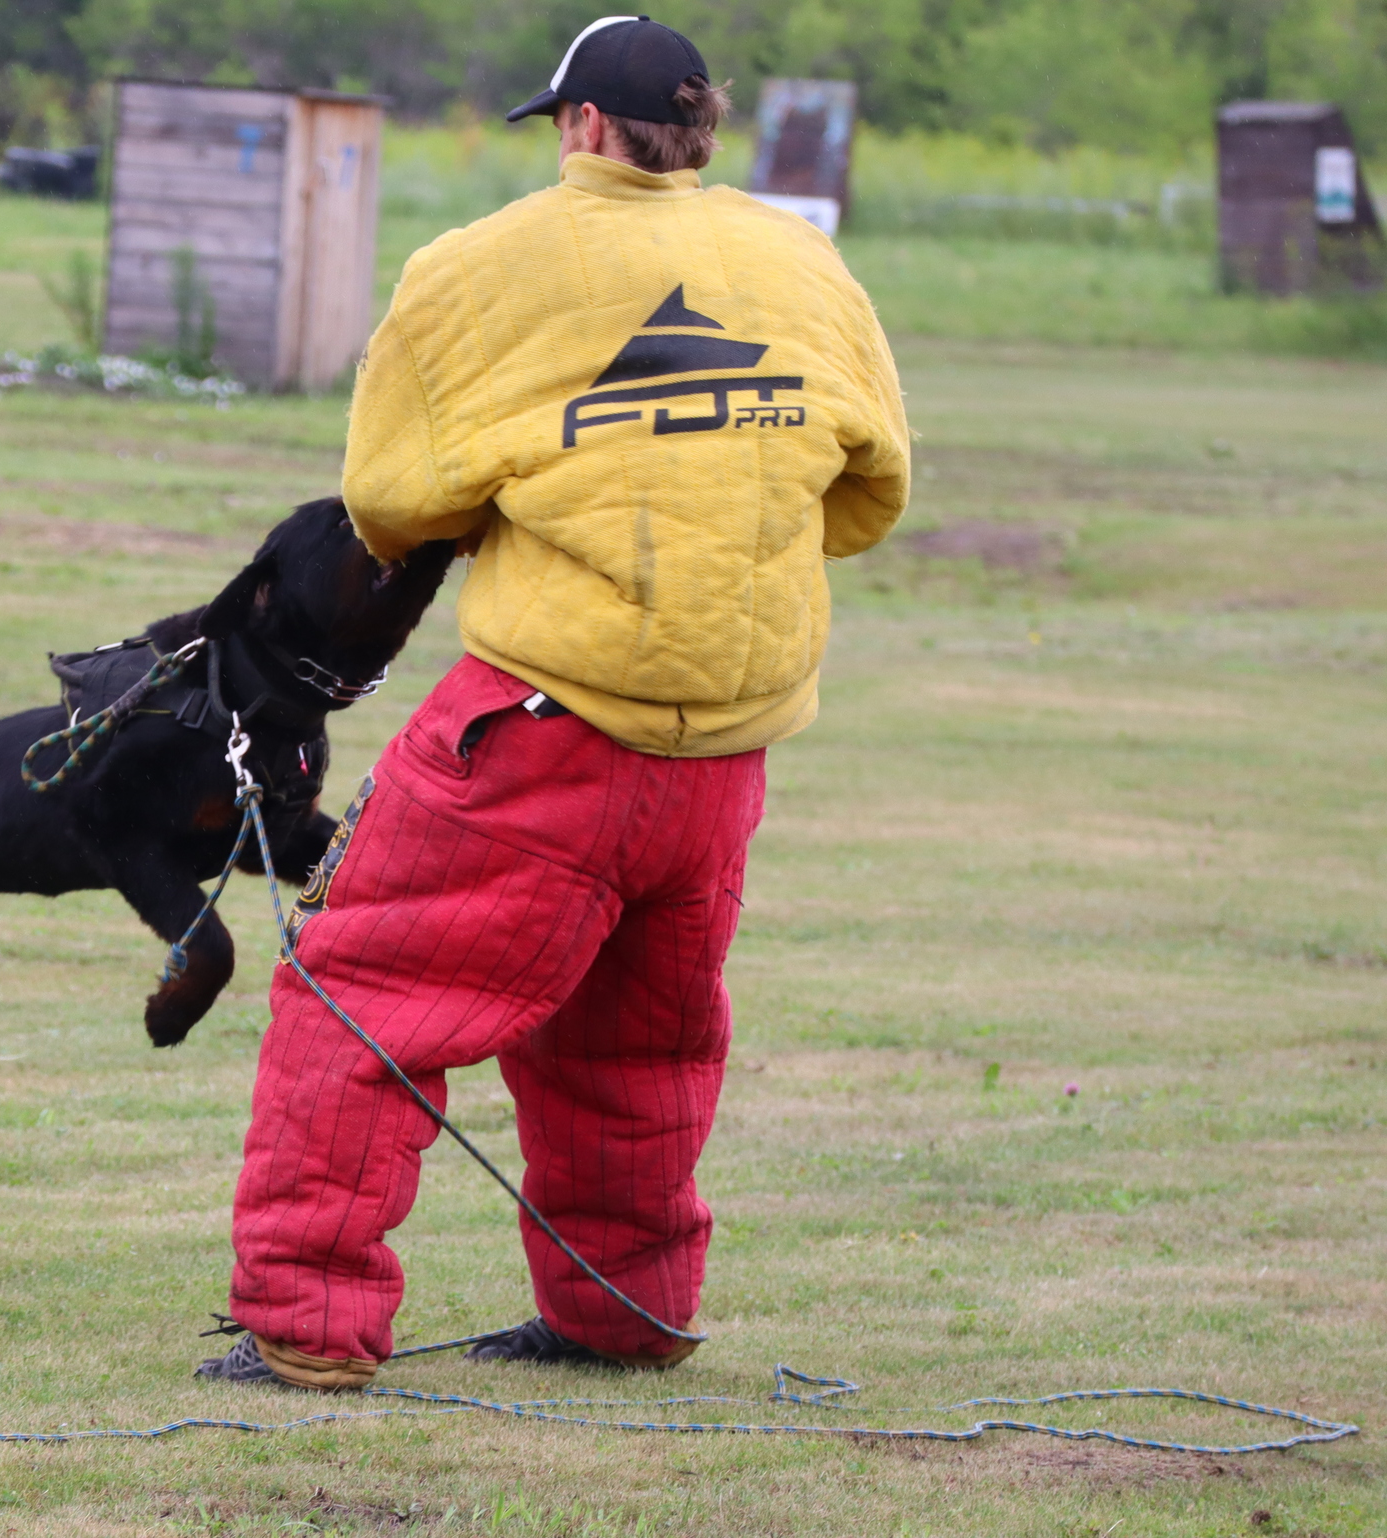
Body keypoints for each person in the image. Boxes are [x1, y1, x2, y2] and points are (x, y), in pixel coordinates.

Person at [197, 15, 910, 1390]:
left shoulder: (479, 265)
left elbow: (394, 501)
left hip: (539, 729)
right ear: (698, 133)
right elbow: (870, 494)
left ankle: (307, 1323)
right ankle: (621, 1314)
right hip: (724, 759)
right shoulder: (803, 261)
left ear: (580, 126)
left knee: (361, 997)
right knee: (637, 1038)